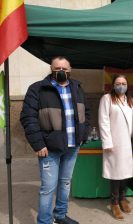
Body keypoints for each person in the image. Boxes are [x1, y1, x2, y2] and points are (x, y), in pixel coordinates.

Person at [20, 56, 90, 224]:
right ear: (51, 69)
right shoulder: (38, 89)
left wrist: (83, 135)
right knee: (48, 188)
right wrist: (38, 144)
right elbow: (28, 118)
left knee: (65, 183)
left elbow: (86, 113)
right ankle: (44, 221)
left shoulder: (77, 88)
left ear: (70, 70)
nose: (61, 72)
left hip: (73, 145)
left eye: (64, 69)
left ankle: (60, 215)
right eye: (57, 68)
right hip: (49, 148)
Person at [98, 74, 133, 221]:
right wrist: (107, 142)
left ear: (127, 85)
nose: (121, 85)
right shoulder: (107, 99)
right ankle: (114, 203)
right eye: (118, 83)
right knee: (116, 174)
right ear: (113, 85)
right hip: (115, 143)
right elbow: (103, 121)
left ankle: (123, 198)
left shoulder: (130, 101)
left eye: (124, 83)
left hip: (129, 143)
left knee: (127, 173)